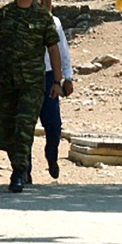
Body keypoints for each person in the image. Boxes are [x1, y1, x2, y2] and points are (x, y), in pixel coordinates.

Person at [0, 0, 62, 193]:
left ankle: (19, 172)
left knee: (24, 126)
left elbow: (54, 49)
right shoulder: (4, 15)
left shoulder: (43, 16)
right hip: (7, 82)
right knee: (8, 127)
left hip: (33, 83)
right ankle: (20, 165)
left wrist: (58, 80)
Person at [29, 10, 74, 182]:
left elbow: (62, 50)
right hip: (25, 76)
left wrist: (66, 77)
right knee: (25, 126)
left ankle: (52, 155)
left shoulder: (53, 21)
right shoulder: (13, 17)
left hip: (49, 77)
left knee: (54, 125)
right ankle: (24, 171)